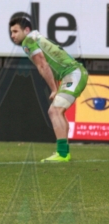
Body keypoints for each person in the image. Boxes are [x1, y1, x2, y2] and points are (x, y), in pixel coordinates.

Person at [9, 16, 87, 162]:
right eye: (11, 32)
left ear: (26, 30)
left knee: (54, 110)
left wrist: (54, 89)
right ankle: (64, 153)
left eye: (15, 31)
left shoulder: (28, 41)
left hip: (73, 74)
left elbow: (42, 65)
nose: (12, 35)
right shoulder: (35, 38)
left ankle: (62, 154)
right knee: (58, 111)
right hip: (73, 74)